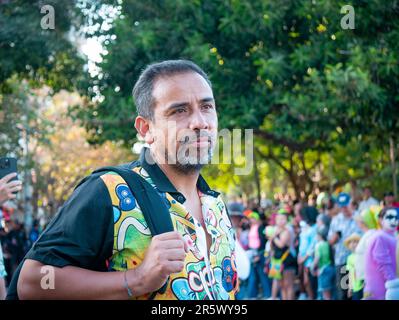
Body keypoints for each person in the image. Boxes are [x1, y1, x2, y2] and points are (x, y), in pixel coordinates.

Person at [10, 60, 238, 300]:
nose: (200, 122)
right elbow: (33, 282)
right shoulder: (109, 190)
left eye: (206, 106)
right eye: (179, 110)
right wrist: (137, 279)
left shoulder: (216, 204)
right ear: (145, 129)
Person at [328, 192, 361, 300]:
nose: (344, 208)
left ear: (351, 203)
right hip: (342, 261)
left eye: (346, 205)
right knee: (343, 292)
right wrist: (335, 237)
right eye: (342, 206)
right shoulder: (336, 220)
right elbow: (330, 241)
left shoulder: (358, 217)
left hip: (358, 262)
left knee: (358, 292)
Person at [364, 207, 398, 300]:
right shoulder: (380, 237)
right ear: (380, 220)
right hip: (380, 290)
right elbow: (383, 262)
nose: (394, 220)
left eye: (396, 217)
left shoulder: (391, 236)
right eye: (390, 217)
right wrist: (393, 282)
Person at [268, 210, 296, 300]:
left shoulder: (287, 231)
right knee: (282, 285)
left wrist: (273, 237)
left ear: (286, 220)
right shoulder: (275, 231)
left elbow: (281, 244)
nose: (281, 221)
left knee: (289, 285)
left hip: (286, 259)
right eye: (279, 219)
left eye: (283, 219)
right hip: (277, 260)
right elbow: (272, 246)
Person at [312, 229, 335, 300]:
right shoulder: (328, 244)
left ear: (319, 236)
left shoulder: (319, 245)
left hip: (323, 269)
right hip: (332, 268)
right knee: (332, 292)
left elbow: (317, 257)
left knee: (326, 293)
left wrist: (312, 268)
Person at [344, 233, 363, 300]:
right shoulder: (349, 258)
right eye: (350, 242)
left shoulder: (362, 255)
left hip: (363, 285)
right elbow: (350, 274)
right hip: (355, 287)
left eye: (355, 242)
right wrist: (350, 288)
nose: (353, 244)